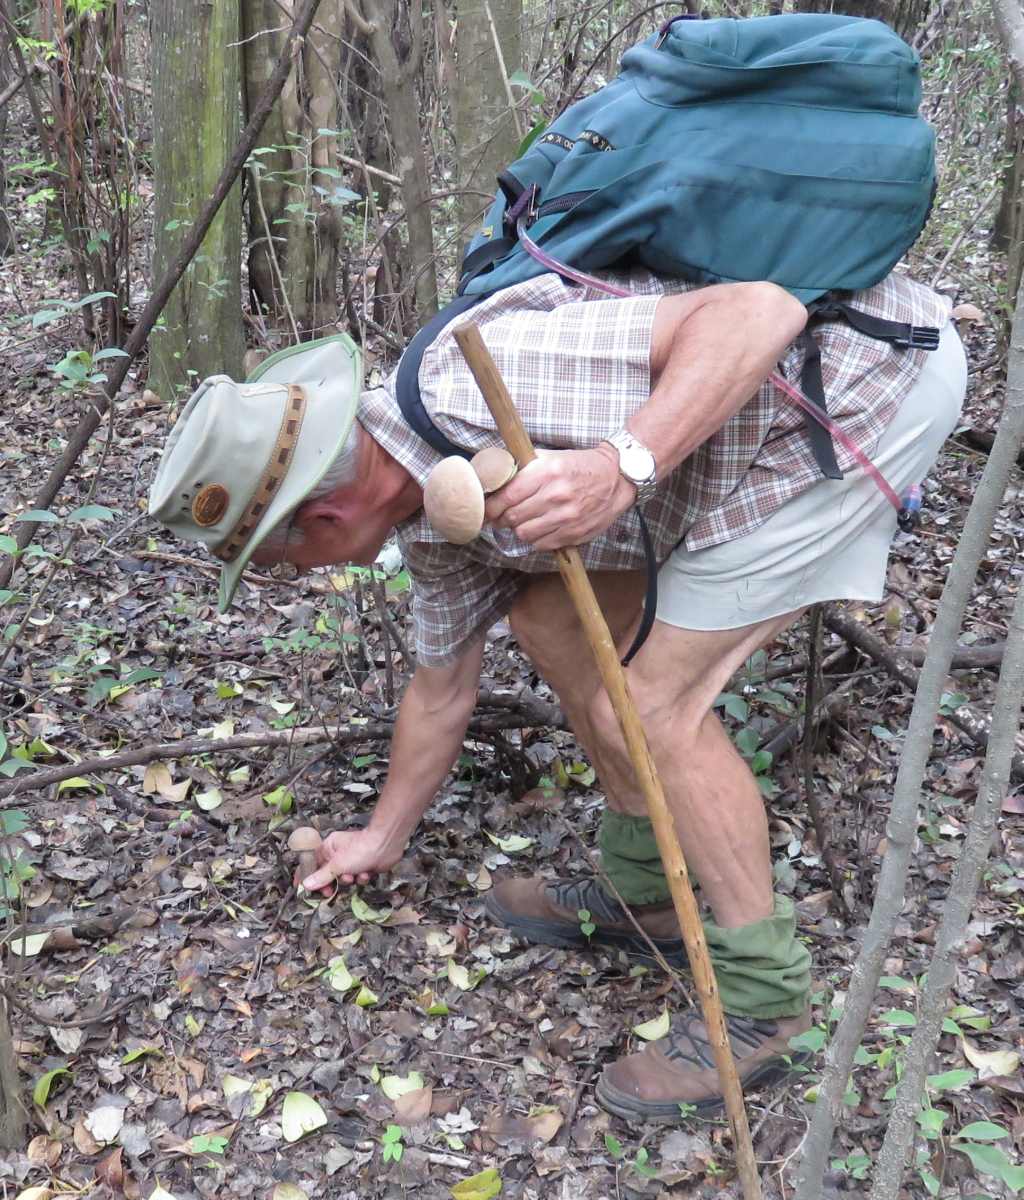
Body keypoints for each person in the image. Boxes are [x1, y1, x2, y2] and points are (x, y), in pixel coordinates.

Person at [148, 265, 966, 1121]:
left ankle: (766, 998)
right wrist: (380, 836)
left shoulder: (482, 377)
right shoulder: (427, 518)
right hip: (742, 436)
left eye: (279, 563)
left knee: (651, 703)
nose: (296, 577)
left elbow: (761, 313)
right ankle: (647, 886)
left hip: (858, 390)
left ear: (321, 521)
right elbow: (440, 687)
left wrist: (620, 465)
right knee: (550, 620)